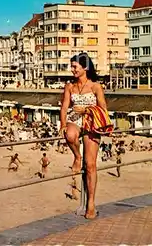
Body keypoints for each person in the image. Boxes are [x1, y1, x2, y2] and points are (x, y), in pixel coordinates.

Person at [60, 53, 106, 220]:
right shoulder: (69, 86)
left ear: (84, 68)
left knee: (91, 164)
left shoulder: (95, 86)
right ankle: (77, 156)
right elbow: (64, 107)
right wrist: (63, 123)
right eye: (72, 66)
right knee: (70, 136)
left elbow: (103, 109)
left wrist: (86, 110)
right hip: (75, 120)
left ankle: (91, 203)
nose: (72, 70)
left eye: (75, 67)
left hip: (92, 123)